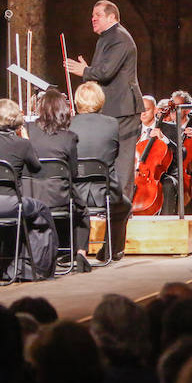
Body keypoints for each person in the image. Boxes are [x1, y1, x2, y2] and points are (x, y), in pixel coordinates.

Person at [65, 0, 144, 200]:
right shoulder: (106, 38)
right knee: (110, 157)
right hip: (112, 108)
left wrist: (85, 71)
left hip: (123, 108)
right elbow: (104, 70)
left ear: (112, 17)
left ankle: (123, 207)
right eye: (92, 15)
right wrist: (90, 71)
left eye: (97, 15)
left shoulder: (119, 38)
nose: (93, 19)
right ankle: (109, 204)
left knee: (123, 160)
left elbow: (107, 72)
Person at [0, 98, 57, 280]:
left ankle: (4, 266)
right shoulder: (23, 144)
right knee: (42, 209)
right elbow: (37, 169)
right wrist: (27, 140)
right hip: (12, 205)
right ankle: (38, 266)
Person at [27, 88, 90, 272]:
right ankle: (80, 253)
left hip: (30, 194)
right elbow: (73, 173)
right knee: (83, 211)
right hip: (58, 197)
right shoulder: (69, 137)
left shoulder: (27, 129)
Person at [69, 82, 133, 261]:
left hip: (74, 193)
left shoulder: (68, 124)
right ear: (100, 100)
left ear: (77, 101)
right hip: (104, 191)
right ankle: (111, 251)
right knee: (125, 206)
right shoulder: (112, 123)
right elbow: (114, 153)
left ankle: (69, 250)